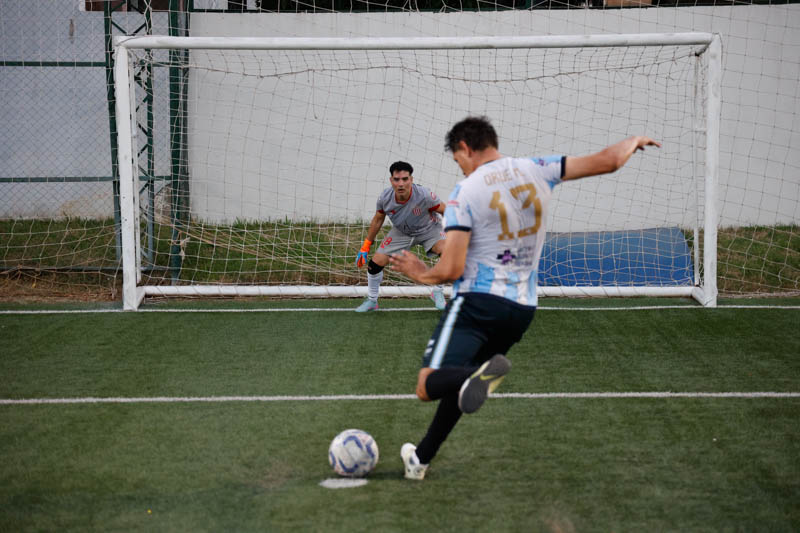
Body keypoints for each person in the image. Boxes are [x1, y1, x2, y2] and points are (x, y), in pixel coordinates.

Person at [389, 116, 660, 480]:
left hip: (476, 302)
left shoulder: (464, 192)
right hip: (522, 309)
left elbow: (451, 269)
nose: (460, 166)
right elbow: (607, 162)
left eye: (458, 159)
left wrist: (418, 272)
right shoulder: (537, 168)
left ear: (465, 149)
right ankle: (420, 459)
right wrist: (632, 141)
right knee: (461, 384)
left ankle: (475, 377)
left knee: (428, 384)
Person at [354, 161, 447, 312]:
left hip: (429, 228)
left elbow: (445, 210)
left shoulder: (424, 195)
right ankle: (372, 301)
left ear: (411, 179)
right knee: (374, 264)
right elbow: (378, 219)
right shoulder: (385, 198)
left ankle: (437, 291)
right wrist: (366, 246)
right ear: (391, 181)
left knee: (448, 251)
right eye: (397, 179)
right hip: (402, 231)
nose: (401, 183)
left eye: (405, 179)